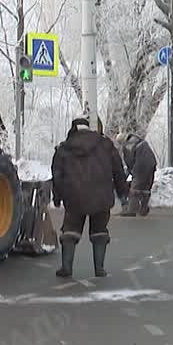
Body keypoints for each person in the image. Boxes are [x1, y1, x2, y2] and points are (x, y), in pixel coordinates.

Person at [51, 117, 129, 278]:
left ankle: (66, 267)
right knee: (99, 232)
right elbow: (118, 171)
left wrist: (57, 197)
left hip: (74, 198)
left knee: (70, 232)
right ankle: (99, 269)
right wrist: (123, 194)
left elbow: (57, 174)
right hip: (102, 197)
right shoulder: (105, 144)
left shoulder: (64, 148)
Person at [118, 132, 158, 217]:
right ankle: (143, 209)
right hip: (151, 165)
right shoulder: (140, 141)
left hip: (140, 167)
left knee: (135, 188)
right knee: (146, 187)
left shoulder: (128, 145)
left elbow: (130, 161)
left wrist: (129, 173)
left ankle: (132, 210)